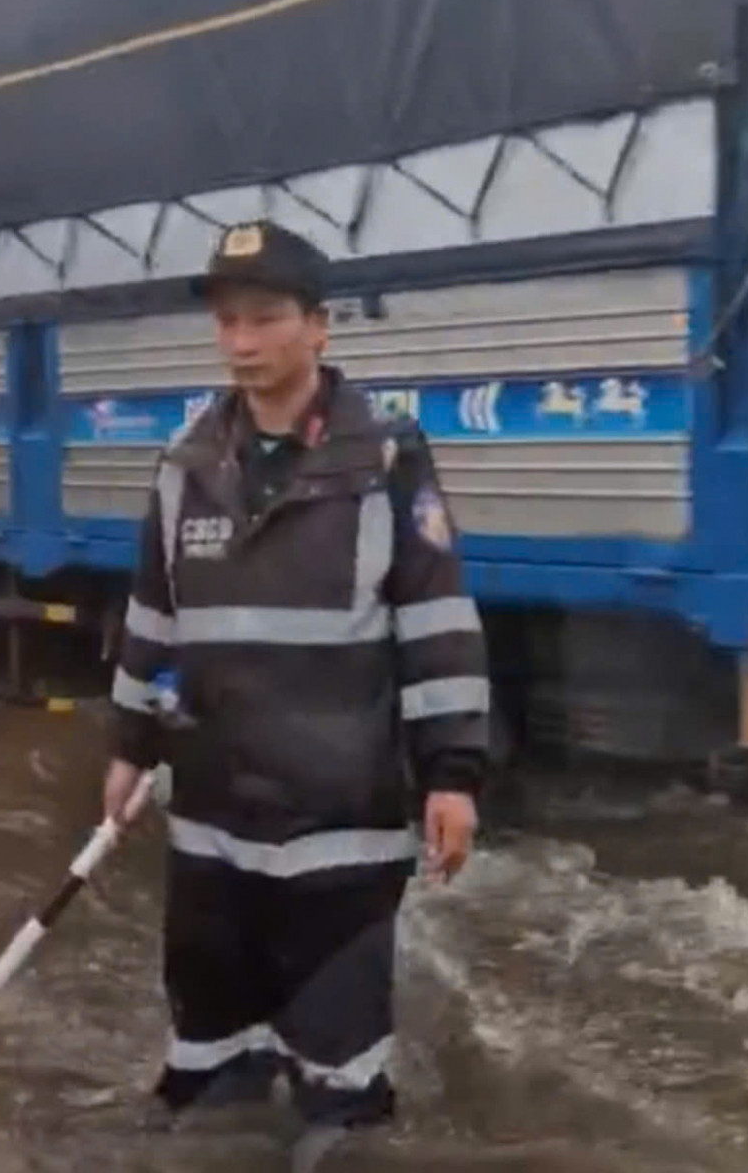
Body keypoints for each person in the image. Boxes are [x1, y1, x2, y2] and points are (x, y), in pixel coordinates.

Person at [103, 220, 490, 1156]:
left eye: (266, 319)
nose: (241, 343)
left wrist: (453, 774)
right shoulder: (185, 464)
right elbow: (154, 619)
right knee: (208, 1038)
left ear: (319, 327)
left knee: (339, 1071)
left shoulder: (387, 460)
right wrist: (125, 747)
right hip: (212, 820)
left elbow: (435, 616)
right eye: (228, 321)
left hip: (341, 820)